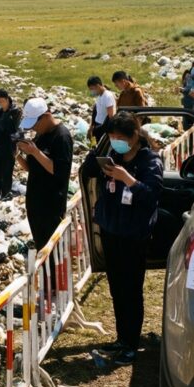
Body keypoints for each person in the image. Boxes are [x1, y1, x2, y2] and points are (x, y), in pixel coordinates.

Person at [80, 112, 163, 366]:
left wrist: (126, 178)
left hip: (133, 235)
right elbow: (88, 169)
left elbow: (150, 195)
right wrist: (100, 148)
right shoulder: (113, 155)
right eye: (112, 137)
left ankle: (131, 344)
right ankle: (121, 337)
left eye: (119, 137)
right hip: (111, 230)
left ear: (134, 136)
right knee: (117, 288)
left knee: (131, 290)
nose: (115, 141)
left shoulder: (149, 161)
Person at [16, 98, 74, 256]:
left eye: (35, 123)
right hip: (35, 203)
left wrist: (35, 152)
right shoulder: (40, 136)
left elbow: (59, 171)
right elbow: (31, 168)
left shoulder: (62, 136)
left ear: (47, 115)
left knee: (53, 251)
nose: (34, 127)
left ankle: (54, 280)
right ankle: (47, 279)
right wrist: (18, 156)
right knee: (41, 246)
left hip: (51, 205)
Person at [0, 89, 20, 201]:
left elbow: (15, 130)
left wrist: (17, 146)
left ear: (7, 99)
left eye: (2, 101)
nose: (1, 104)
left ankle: (5, 196)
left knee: (7, 174)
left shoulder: (15, 111)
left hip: (8, 147)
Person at [86, 76, 116, 141]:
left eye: (92, 89)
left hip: (103, 128)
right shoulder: (99, 96)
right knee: (94, 145)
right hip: (97, 126)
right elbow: (95, 113)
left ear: (98, 86)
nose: (92, 91)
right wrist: (91, 128)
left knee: (100, 147)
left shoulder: (108, 96)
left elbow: (111, 116)